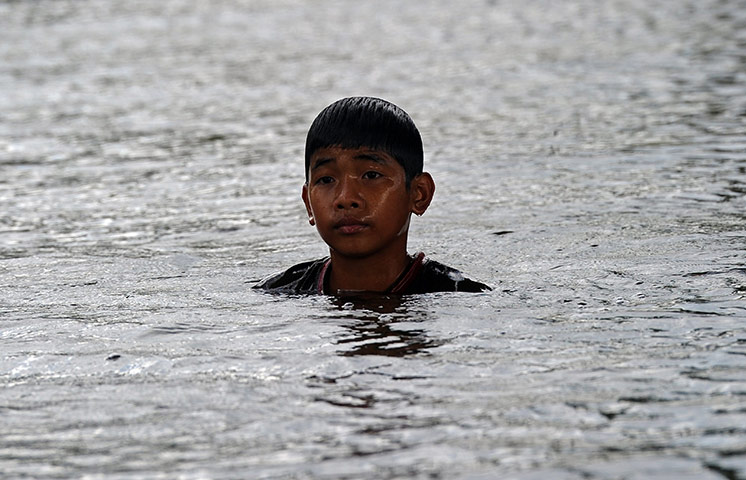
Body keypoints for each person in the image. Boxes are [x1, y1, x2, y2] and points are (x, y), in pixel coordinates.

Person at [254, 96, 491, 295]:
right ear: (308, 204)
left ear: (419, 194)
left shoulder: (458, 295)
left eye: (370, 175)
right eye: (326, 180)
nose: (345, 198)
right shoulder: (280, 293)